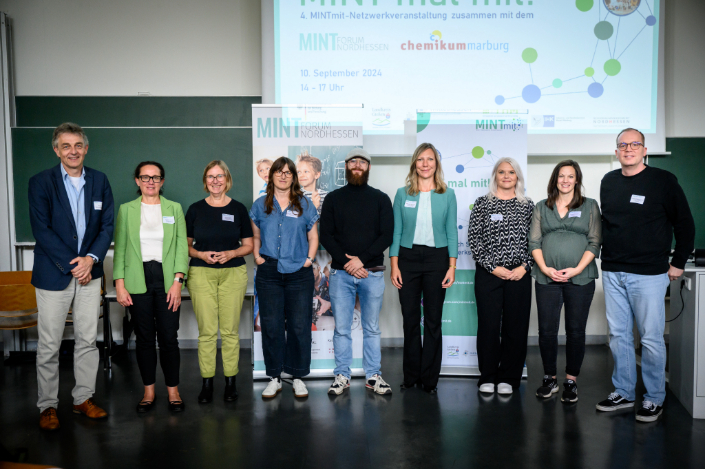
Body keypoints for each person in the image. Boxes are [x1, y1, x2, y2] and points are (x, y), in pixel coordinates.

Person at [596, 128, 695, 422]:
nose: (628, 149)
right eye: (623, 145)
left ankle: (653, 398)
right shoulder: (609, 181)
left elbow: (685, 225)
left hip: (649, 274)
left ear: (644, 149)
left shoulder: (663, 181)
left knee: (651, 339)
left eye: (634, 144)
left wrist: (677, 262)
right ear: (616, 152)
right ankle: (624, 392)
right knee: (618, 335)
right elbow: (608, 224)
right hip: (613, 270)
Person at [29, 123, 114, 431]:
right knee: (50, 343)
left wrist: (90, 260)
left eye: (78, 145)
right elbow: (42, 231)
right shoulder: (40, 182)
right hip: (54, 274)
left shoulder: (100, 181)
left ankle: (83, 399)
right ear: (56, 150)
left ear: (86, 148)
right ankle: (48, 406)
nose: (73, 151)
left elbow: (106, 227)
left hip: (89, 274)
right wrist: (73, 263)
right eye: (66, 146)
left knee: (88, 340)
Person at [113, 161, 189, 413]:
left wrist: (178, 281)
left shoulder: (174, 208)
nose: (150, 181)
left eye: (155, 177)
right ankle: (148, 392)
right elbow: (121, 249)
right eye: (145, 177)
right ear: (137, 181)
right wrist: (120, 285)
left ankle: (173, 391)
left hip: (167, 279)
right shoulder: (126, 210)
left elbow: (180, 247)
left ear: (162, 181)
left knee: (169, 337)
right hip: (137, 278)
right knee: (145, 338)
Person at [319, 148, 394, 396]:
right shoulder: (333, 199)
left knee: (371, 328)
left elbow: (387, 235)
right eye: (353, 162)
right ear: (346, 166)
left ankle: (373, 376)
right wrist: (348, 263)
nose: (358, 165)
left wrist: (360, 261)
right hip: (341, 275)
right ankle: (342, 375)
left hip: (371, 273)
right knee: (341, 328)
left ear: (368, 167)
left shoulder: (381, 198)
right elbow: (326, 235)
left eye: (362, 162)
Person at [529, 160, 602, 403]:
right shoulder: (542, 207)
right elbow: (534, 242)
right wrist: (545, 268)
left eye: (570, 176)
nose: (566, 180)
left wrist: (576, 269)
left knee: (575, 331)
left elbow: (594, 242)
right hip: (546, 277)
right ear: (555, 179)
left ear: (577, 180)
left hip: (580, 277)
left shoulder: (590, 206)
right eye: (561, 176)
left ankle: (571, 381)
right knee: (547, 331)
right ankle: (549, 379)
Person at [390, 143, 458, 394]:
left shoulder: (447, 194)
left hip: (437, 260)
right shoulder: (402, 193)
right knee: (409, 320)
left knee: (432, 320)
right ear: (414, 164)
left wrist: (452, 266)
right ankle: (411, 376)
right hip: (406, 260)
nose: (425, 164)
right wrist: (394, 265)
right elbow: (396, 231)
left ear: (436, 164)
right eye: (420, 159)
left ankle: (430, 379)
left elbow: (452, 232)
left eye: (430, 159)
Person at [250, 157, 319, 399]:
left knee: (300, 326)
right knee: (271, 326)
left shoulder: (304, 205)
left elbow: (313, 237)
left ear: (293, 177)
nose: (283, 176)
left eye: (288, 172)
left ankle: (297, 376)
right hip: (269, 272)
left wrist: (309, 261)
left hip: (299, 274)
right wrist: (258, 257)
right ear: (272, 176)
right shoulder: (260, 205)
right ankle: (274, 377)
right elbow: (255, 236)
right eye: (279, 172)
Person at [186, 160, 253, 403]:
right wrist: (201, 254)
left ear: (227, 179)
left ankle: (230, 383)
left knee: (230, 331)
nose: (215, 180)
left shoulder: (238, 209)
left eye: (220, 176)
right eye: (211, 176)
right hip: (201, 272)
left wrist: (232, 253)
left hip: (233, 272)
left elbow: (248, 245)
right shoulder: (194, 209)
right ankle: (206, 384)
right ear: (205, 181)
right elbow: (185, 245)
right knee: (206, 332)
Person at [468, 157, 534, 395]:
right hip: (489, 274)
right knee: (488, 326)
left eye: (512, 172)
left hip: (519, 274)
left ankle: (509, 377)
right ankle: (487, 376)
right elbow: (474, 241)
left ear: (518, 177)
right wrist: (492, 267)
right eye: (502, 172)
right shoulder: (483, 204)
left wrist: (525, 267)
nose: (507, 176)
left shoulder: (528, 205)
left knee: (515, 327)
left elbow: (536, 242)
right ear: (495, 175)